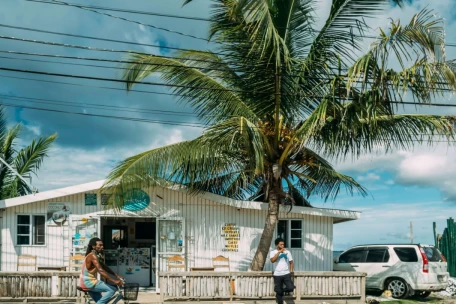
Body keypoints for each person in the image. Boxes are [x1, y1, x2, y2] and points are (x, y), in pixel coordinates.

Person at [78, 237, 124, 304]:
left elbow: (104, 267)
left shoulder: (96, 255)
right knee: (112, 289)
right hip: (89, 282)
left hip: (88, 282)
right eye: (100, 245)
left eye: (102, 245)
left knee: (101, 302)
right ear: (93, 246)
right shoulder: (92, 256)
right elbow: (101, 270)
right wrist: (114, 281)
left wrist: (116, 275)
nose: (102, 247)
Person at [270, 237, 295, 304]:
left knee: (290, 288)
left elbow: (291, 262)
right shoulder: (273, 252)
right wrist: (279, 253)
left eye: (283, 244)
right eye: (281, 244)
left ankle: (280, 290)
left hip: (286, 273)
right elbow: (272, 260)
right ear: (277, 245)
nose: (282, 246)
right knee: (279, 293)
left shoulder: (287, 252)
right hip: (277, 274)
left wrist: (291, 272)